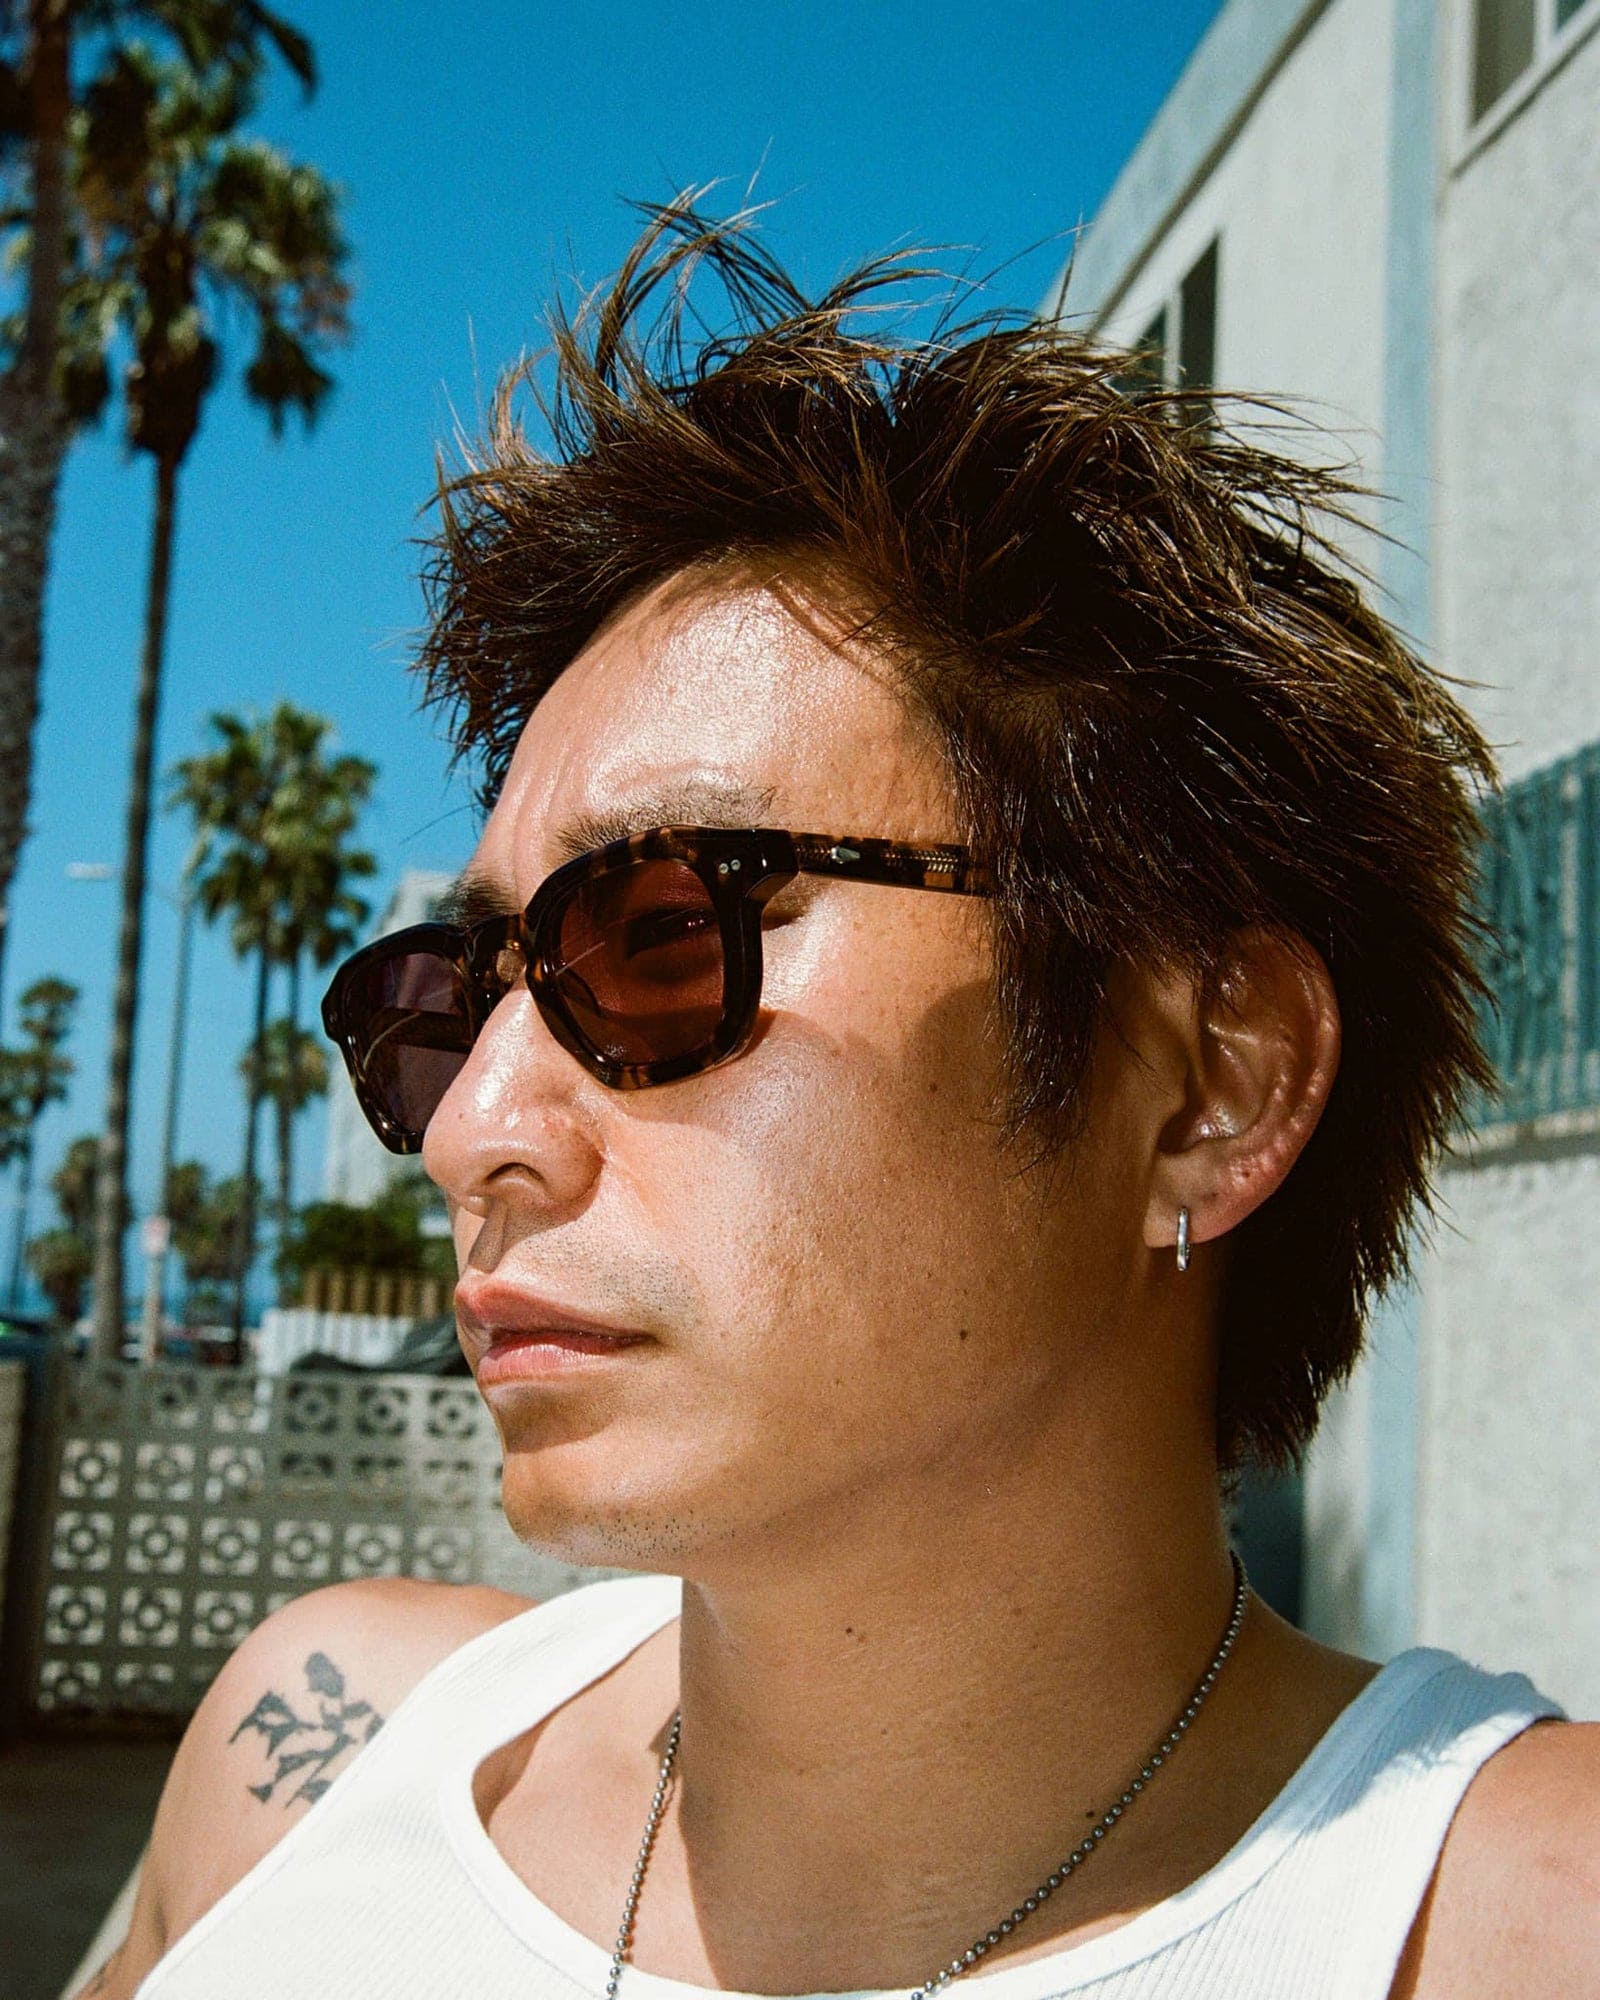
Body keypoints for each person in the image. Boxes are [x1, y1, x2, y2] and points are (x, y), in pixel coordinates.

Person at [88, 205, 1596, 2000]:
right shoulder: (311, 1759)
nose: (476, 1127)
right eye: (444, 1006)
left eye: (659, 937)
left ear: (1205, 1080)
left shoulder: (1504, 1922)